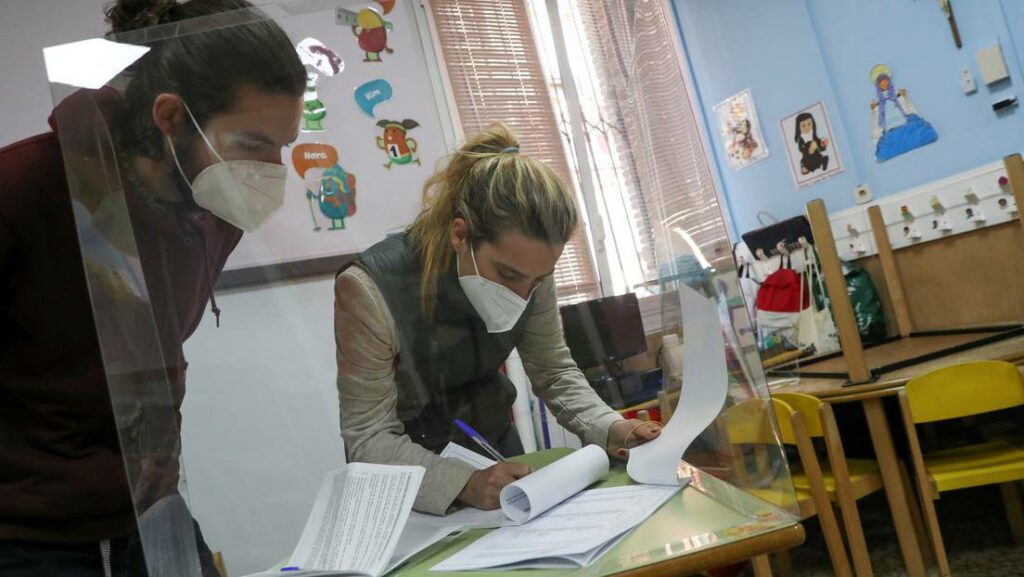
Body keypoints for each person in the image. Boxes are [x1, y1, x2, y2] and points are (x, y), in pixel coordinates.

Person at [0, 1, 305, 575]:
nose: (271, 169)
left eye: (284, 144)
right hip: (27, 532)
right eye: (252, 144)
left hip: (148, 507)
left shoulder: (214, 211)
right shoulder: (22, 193)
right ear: (170, 117)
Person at [335, 124, 662, 515]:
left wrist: (611, 427)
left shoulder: (530, 267)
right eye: (508, 276)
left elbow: (554, 372)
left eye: (537, 280)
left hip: (498, 457)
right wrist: (464, 483)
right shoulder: (369, 289)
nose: (524, 293)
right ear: (461, 235)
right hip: (412, 479)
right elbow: (369, 436)